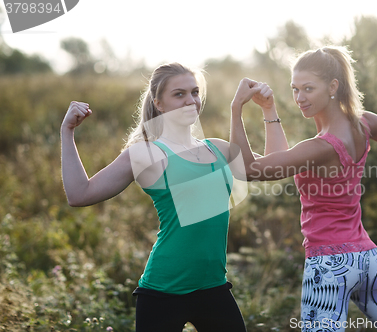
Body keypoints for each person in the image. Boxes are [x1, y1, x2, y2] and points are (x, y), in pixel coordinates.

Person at [230, 47, 377, 331]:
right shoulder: (363, 123)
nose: (299, 98)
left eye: (308, 88)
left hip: (329, 265)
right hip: (367, 259)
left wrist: (236, 110)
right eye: (295, 89)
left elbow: (248, 170)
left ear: (333, 86)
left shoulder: (319, 148)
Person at [61, 62, 256, 331]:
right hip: (163, 292)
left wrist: (251, 110)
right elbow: (79, 194)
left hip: (213, 288)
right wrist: (67, 132)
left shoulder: (217, 148)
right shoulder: (146, 153)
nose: (191, 101)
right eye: (179, 94)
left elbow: (265, 168)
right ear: (159, 104)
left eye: (195, 92)